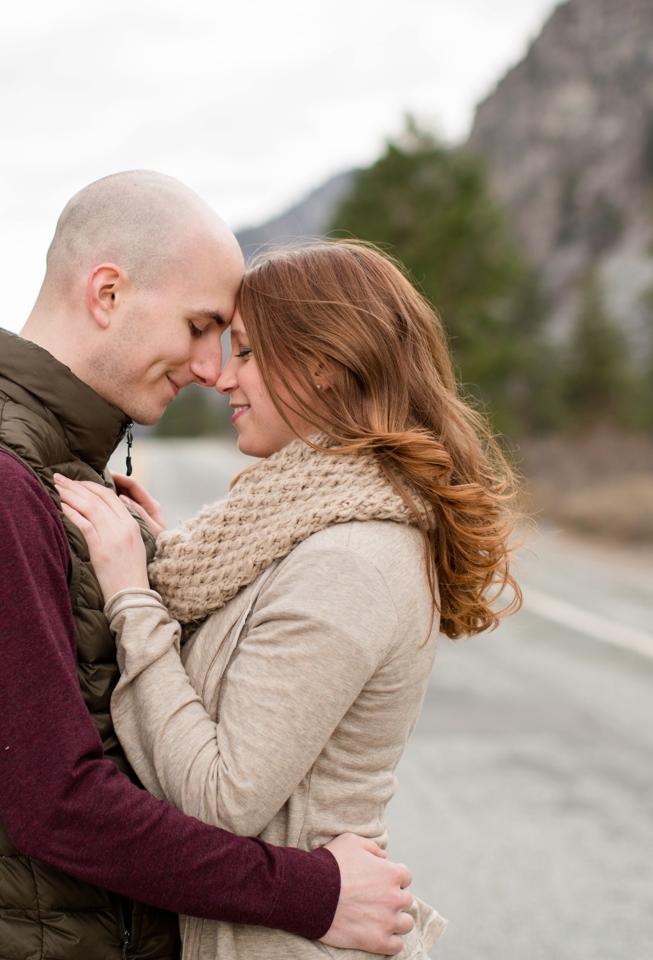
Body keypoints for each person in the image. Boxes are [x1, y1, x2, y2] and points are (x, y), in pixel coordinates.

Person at [0, 173, 416, 960]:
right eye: (200, 327)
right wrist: (313, 892)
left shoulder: (60, 466)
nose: (209, 366)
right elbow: (57, 804)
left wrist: (158, 576)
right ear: (108, 293)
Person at [56, 240, 523, 959]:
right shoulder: (296, 529)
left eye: (244, 352)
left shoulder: (352, 558)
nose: (219, 376)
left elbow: (221, 797)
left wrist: (129, 596)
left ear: (322, 365)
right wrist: (159, 556)